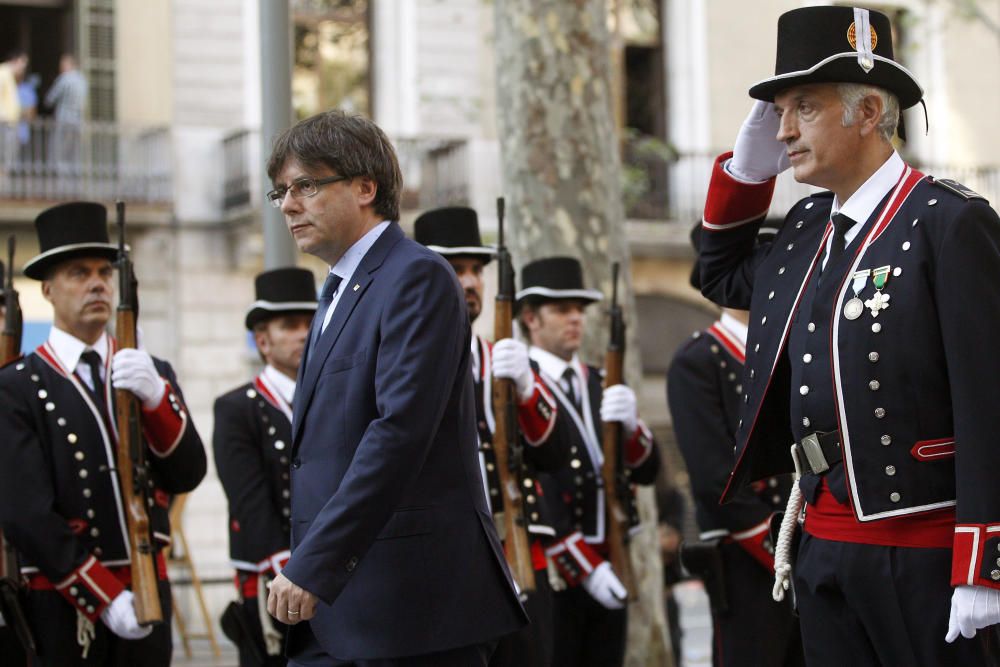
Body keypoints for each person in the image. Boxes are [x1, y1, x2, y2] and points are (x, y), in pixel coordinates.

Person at [697, 5, 1000, 665]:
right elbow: (717, 272)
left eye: (801, 107)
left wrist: (983, 559)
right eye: (776, 114)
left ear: (867, 114)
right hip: (822, 540)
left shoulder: (948, 223)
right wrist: (745, 175)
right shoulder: (806, 228)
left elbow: (989, 402)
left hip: (923, 552)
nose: (782, 132)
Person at [262, 110, 525, 666]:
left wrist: (314, 563)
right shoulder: (337, 290)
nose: (287, 204)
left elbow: (398, 432)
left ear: (365, 187)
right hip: (338, 612)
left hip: (410, 613)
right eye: (281, 191)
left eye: (305, 185)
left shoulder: (416, 276)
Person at [0, 201, 207, 666]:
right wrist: (104, 597)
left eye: (103, 271)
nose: (97, 283)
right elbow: (24, 512)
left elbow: (187, 472)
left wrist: (157, 400)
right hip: (63, 598)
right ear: (49, 290)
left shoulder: (147, 371)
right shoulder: (16, 387)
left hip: (147, 587)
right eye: (78, 272)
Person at [414, 206, 567, 667]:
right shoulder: (403, 361)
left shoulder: (506, 361)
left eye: (476, 270)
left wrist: (526, 388)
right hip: (439, 560)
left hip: (515, 552)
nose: (469, 281)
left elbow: (555, 454)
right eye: (453, 268)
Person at [668, 227, 803, 667]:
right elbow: (714, 479)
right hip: (748, 558)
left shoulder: (795, 350)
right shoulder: (699, 360)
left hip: (809, 545)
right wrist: (781, 552)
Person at [516, 256, 661, 667]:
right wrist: (583, 565)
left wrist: (634, 429)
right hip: (556, 560)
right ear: (530, 318)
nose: (575, 319)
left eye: (579, 310)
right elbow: (530, 478)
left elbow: (648, 470)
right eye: (562, 310)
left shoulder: (601, 381)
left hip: (613, 552)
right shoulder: (521, 384)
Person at [214, 267, 318, 666]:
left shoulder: (336, 400)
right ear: (262, 341)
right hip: (273, 577)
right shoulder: (237, 408)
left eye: (310, 323)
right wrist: (293, 571)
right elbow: (248, 500)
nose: (303, 334)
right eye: (290, 325)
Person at [44, 53, 87, 189]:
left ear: (68, 64)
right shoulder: (82, 80)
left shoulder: (64, 79)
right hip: (77, 122)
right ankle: (75, 184)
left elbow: (50, 99)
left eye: (62, 64)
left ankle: (62, 185)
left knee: (60, 153)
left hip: (63, 120)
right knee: (74, 154)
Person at [0, 51, 28, 172]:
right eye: (22, 64)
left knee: (9, 155)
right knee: (4, 155)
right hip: (4, 122)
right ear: (15, 61)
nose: (23, 69)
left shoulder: (10, 76)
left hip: (10, 122)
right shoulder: (3, 73)